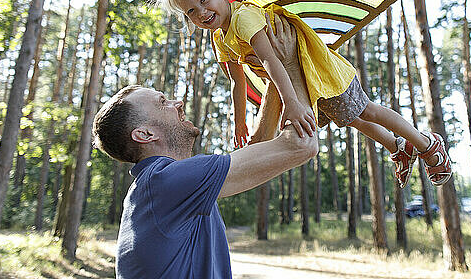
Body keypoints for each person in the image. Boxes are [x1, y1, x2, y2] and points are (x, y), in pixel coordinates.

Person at [160, 0, 452, 189]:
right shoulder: (219, 38)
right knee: (352, 118)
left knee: (366, 110)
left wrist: (292, 103)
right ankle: (398, 146)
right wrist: (239, 122)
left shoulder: (244, 17)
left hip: (318, 70)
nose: (200, 13)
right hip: (300, 82)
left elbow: (272, 60)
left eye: (203, 1)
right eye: (190, 12)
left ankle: (427, 143)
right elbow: (238, 81)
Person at [93, 16, 317, 279]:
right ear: (144, 134)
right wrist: (291, 63)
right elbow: (301, 145)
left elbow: (260, 148)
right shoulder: (166, 182)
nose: (177, 102)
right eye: (162, 102)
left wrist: (274, 79)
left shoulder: (163, 186)